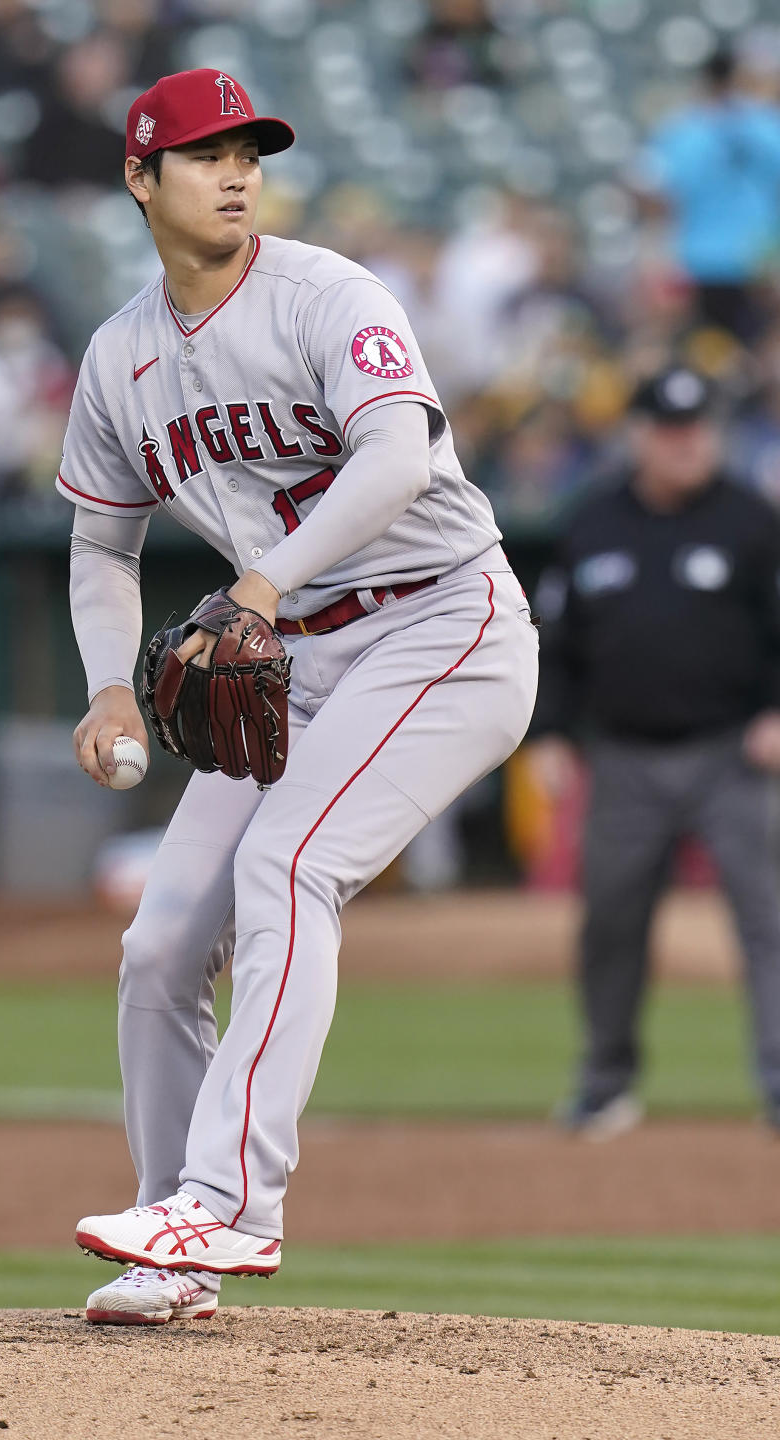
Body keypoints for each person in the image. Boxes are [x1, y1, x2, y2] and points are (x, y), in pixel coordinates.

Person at [59, 68, 538, 1325]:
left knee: (287, 869)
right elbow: (101, 547)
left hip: (444, 620)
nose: (235, 172)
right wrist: (110, 686)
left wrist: (263, 582)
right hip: (293, 659)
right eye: (206, 153)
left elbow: (395, 454)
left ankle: (230, 1206)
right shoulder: (121, 358)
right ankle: (173, 1245)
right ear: (139, 178)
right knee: (160, 946)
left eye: (250, 153)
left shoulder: (328, 294)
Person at [529, 366, 780, 1139]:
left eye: (697, 429)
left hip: (732, 756)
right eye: (669, 431)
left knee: (768, 921)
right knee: (610, 922)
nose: (685, 444)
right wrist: (550, 733)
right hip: (625, 758)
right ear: (639, 435)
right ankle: (607, 1082)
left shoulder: (751, 521)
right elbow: (553, 643)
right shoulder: (591, 522)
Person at [636, 48, 780, 342]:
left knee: (708, 356)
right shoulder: (768, 124)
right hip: (761, 261)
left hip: (699, 262)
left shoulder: (682, 130)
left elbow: (651, 195)